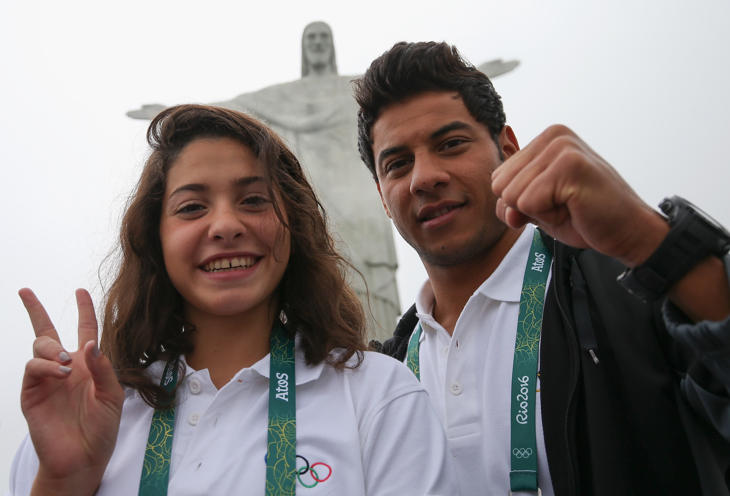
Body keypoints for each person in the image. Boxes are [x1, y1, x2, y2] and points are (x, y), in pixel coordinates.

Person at [8, 105, 457, 495]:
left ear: (293, 226)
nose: (225, 225)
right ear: (155, 239)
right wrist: (64, 482)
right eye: (192, 207)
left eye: (253, 200)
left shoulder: (378, 396)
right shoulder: (88, 414)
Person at [354, 41, 730, 496]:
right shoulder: (386, 375)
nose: (424, 177)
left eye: (451, 144)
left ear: (508, 148)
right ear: (381, 194)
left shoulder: (627, 289)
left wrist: (643, 239)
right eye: (398, 164)